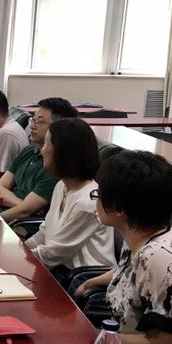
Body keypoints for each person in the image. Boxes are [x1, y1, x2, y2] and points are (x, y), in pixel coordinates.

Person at [75, 151, 172, 344]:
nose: (96, 201)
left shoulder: (161, 260)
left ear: (118, 209)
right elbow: (131, 270)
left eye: (98, 195)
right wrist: (91, 282)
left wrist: (98, 336)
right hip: (124, 337)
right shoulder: (142, 231)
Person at [24, 118, 115, 281]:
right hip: (58, 268)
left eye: (46, 144)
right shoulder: (62, 185)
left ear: (62, 154)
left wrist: (19, 258)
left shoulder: (88, 201)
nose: (42, 150)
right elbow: (45, 232)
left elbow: (55, 253)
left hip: (81, 278)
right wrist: (20, 249)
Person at [0, 97, 78, 223]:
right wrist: (23, 204)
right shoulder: (29, 150)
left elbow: (24, 212)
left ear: (58, 128)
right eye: (33, 119)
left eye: (39, 121)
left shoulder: (56, 166)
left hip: (21, 225)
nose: (32, 126)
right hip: (2, 213)